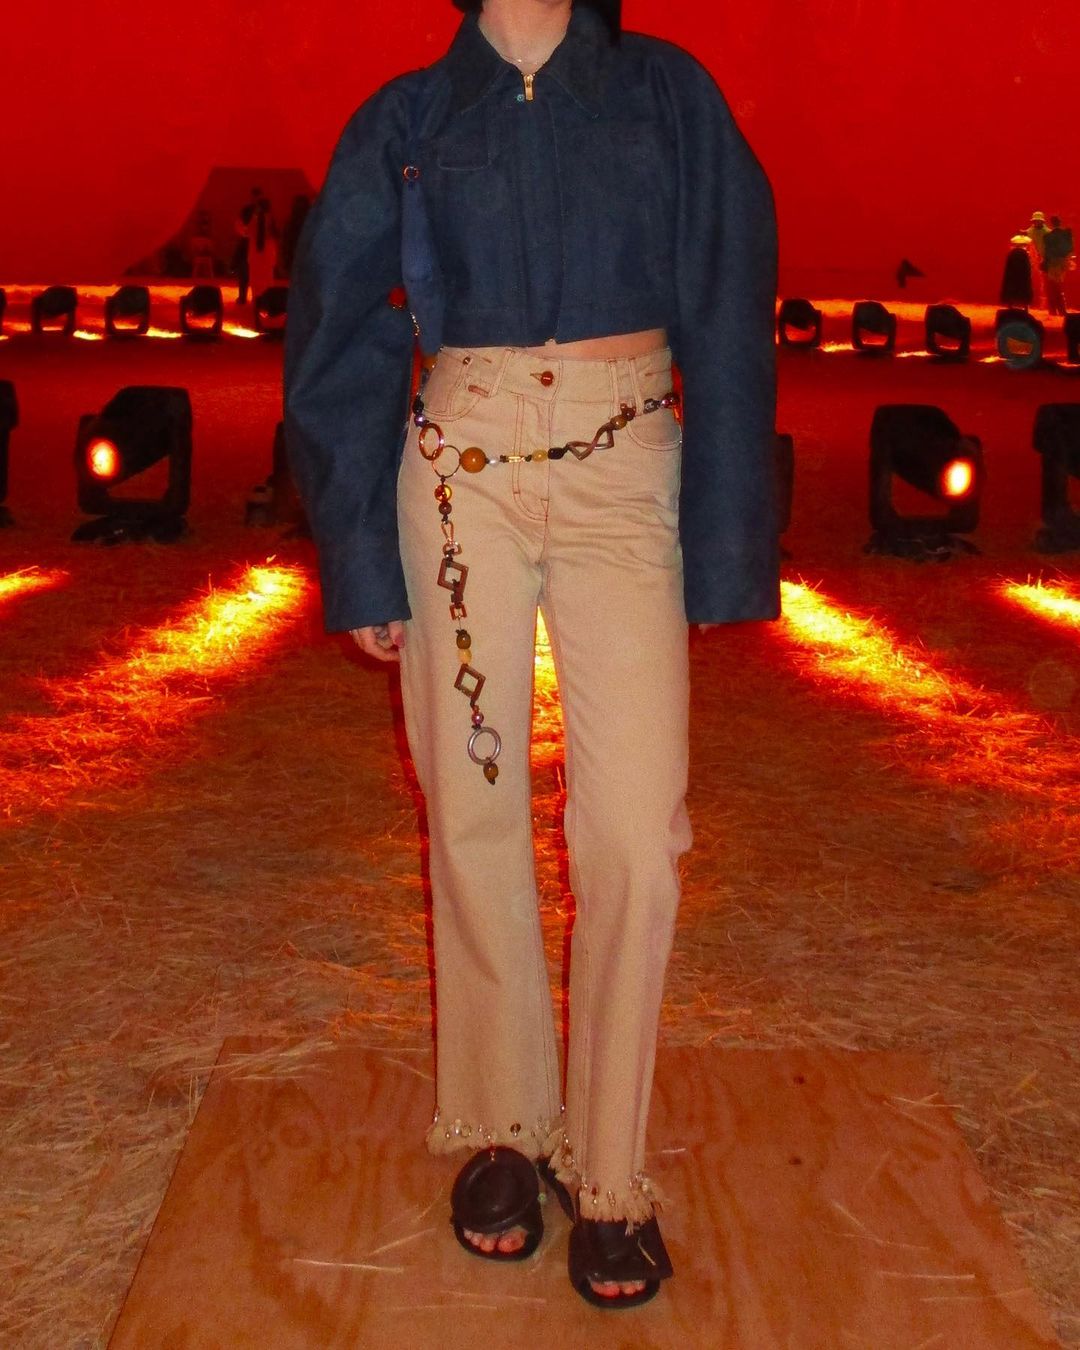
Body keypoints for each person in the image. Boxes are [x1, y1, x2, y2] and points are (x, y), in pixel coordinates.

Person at [285, 0, 778, 1308]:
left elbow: (730, 304)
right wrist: (361, 554)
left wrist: (728, 541)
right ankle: (504, 1122)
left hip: (628, 469)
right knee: (474, 809)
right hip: (459, 483)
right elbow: (336, 330)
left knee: (635, 834)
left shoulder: (667, 95)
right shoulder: (406, 116)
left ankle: (609, 1165)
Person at [1042, 214, 1074, 317]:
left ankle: (1053, 310)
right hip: (1062, 262)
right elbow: (1070, 248)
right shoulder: (1065, 234)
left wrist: (1045, 263)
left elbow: (1047, 252)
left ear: (1051, 223)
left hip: (1052, 263)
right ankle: (1061, 310)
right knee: (1057, 286)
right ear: (1060, 223)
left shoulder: (1048, 237)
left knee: (1052, 286)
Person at [1000, 233, 1034, 308]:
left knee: (1012, 288)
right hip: (1023, 276)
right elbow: (1027, 267)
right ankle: (1025, 305)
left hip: (1012, 276)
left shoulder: (1011, 253)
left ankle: (1011, 304)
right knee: (1024, 288)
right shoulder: (1025, 254)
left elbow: (1008, 267)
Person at [1027, 210, 1050, 310]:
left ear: (1042, 221)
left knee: (1043, 282)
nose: (1037, 222)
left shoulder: (1048, 232)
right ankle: (1031, 302)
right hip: (1032, 259)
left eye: (1038, 220)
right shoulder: (1029, 232)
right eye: (1035, 221)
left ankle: (1043, 304)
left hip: (1044, 259)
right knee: (1031, 281)